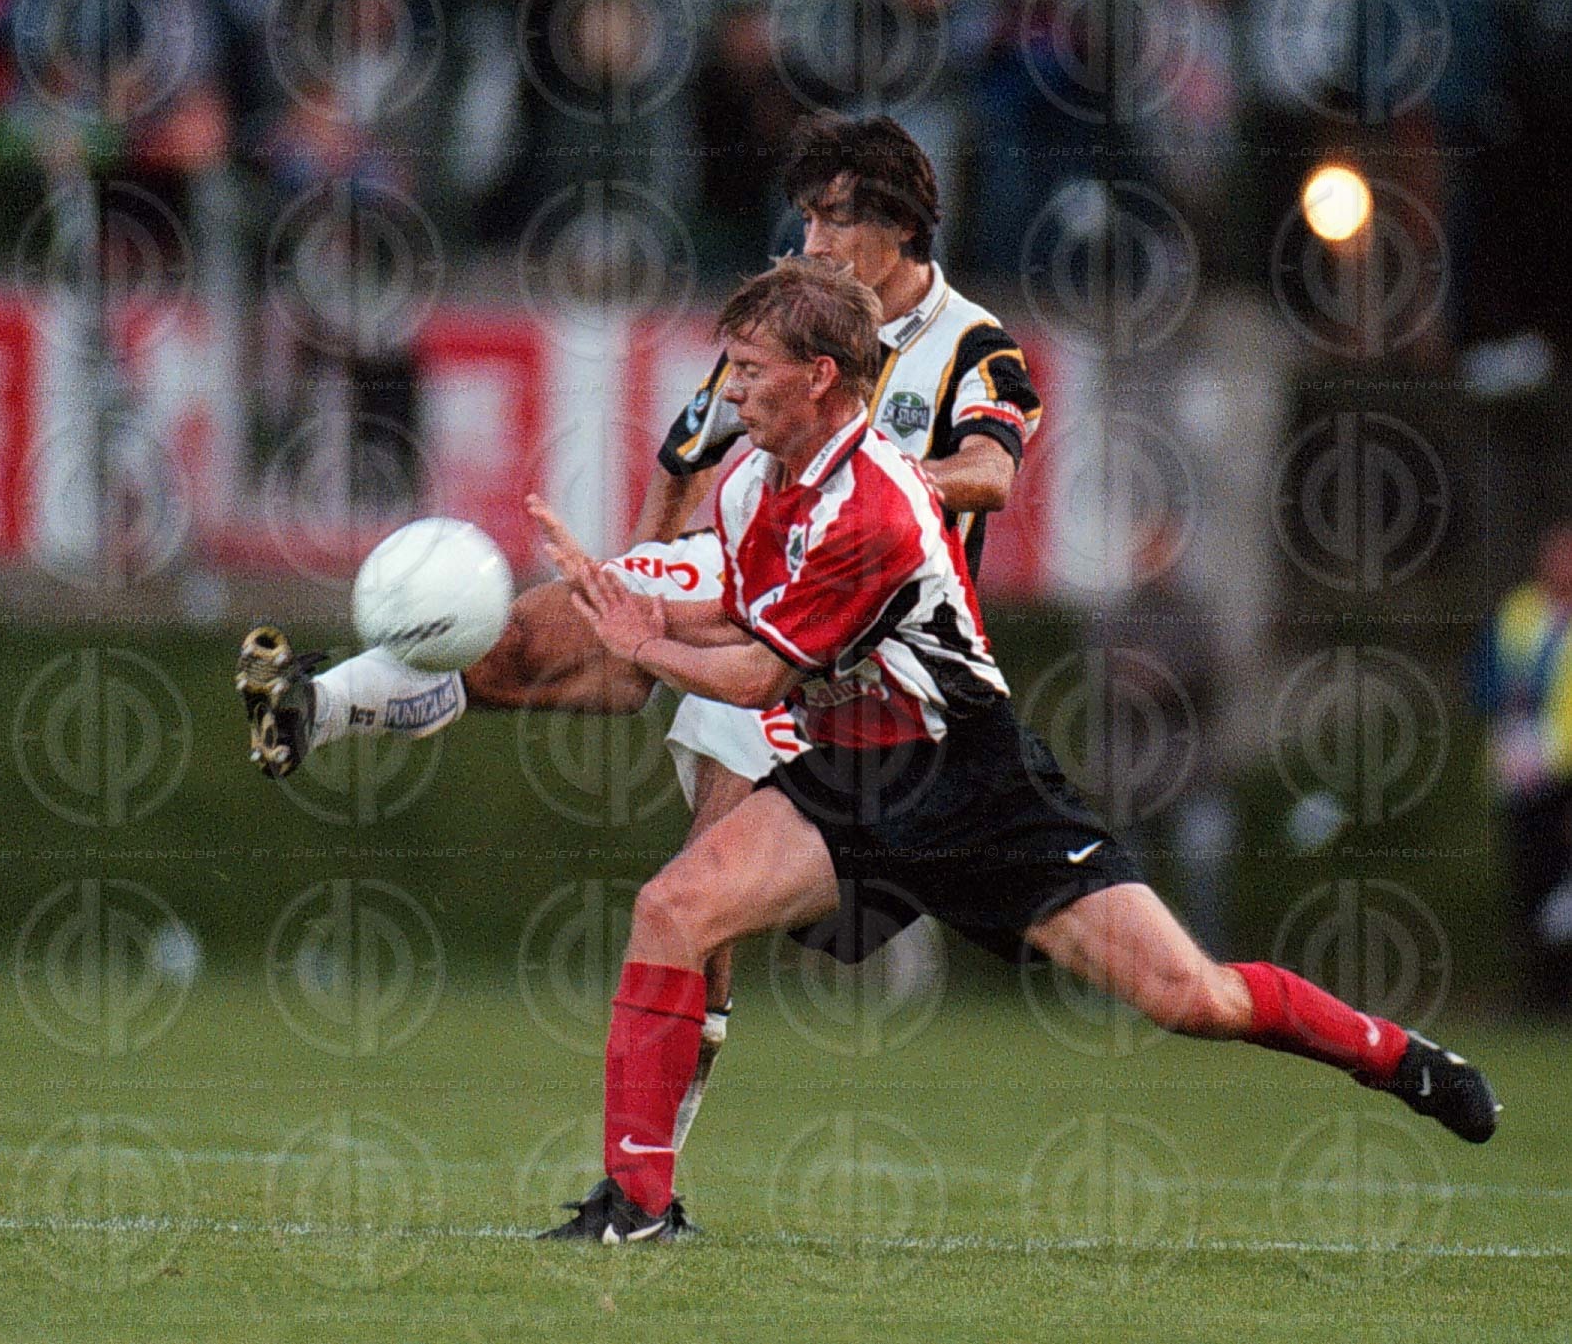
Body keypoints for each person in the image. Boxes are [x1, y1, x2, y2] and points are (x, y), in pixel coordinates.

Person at [529, 256, 1497, 1243]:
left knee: (1191, 998)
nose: (730, 391)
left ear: (819, 376)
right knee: (674, 909)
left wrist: (640, 644)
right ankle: (637, 1207)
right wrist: (633, 598)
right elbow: (741, 606)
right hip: (851, 775)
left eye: (749, 368)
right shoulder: (751, 481)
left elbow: (756, 677)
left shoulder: (874, 505)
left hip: (972, 783)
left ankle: (1394, 1056)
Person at [236, 114, 1041, 1217]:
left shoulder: (974, 344)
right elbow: (688, 456)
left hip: (854, 655)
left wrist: (873, 478)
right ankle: (320, 702)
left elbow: (991, 474)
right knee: (538, 635)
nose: (811, 240)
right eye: (805, 217)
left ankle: (648, 1182)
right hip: (741, 582)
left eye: (835, 220)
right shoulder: (787, 320)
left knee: (707, 896)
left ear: (900, 228)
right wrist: (630, 594)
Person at [1472, 523, 1572, 1015]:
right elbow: (1483, 676)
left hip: (1565, 770)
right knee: (1530, 883)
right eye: (1555, 556)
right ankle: (1538, 993)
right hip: (1525, 771)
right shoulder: (1519, 610)